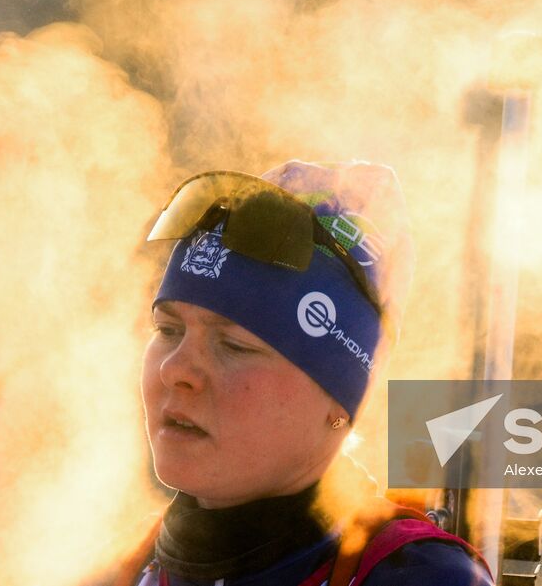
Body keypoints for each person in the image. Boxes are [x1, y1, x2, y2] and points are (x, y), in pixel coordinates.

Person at [110, 161, 493, 586]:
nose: (176, 369)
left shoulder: (420, 578)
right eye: (168, 330)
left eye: (235, 346)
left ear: (340, 399)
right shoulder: (126, 567)